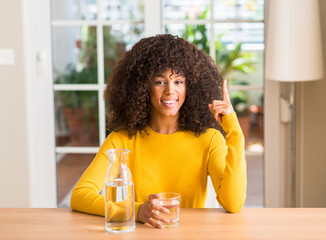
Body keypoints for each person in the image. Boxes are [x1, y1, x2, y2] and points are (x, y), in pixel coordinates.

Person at [70, 34, 247, 229]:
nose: (170, 91)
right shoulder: (122, 139)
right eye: (160, 81)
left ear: (191, 86)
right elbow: (80, 195)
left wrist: (234, 132)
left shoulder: (209, 139)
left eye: (178, 81)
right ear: (142, 87)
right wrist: (136, 211)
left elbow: (233, 203)